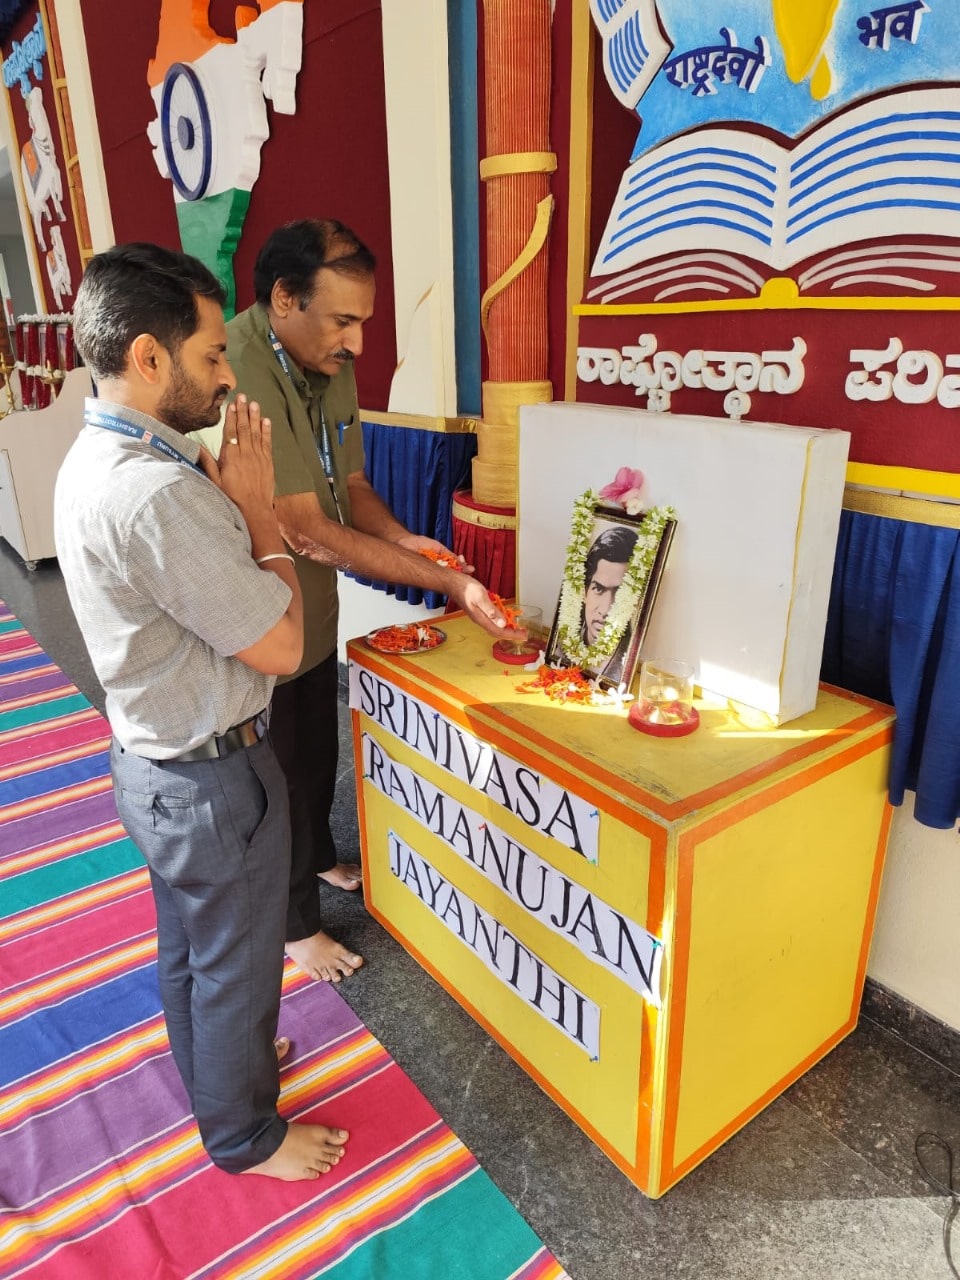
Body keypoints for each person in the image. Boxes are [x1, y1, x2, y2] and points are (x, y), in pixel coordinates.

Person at [54, 242, 347, 1182]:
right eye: (213, 355)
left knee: (193, 949)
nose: (226, 377)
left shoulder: (100, 453)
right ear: (148, 357)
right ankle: (244, 1137)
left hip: (158, 766)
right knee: (238, 964)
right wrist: (260, 518)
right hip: (211, 777)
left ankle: (221, 1081)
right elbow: (283, 647)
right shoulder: (153, 495)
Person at [226, 219, 522, 985]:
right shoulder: (241, 371)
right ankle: (293, 927)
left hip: (314, 605)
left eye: (364, 321)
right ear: (284, 299)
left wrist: (406, 541)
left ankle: (320, 859)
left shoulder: (327, 359)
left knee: (319, 743)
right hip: (264, 611)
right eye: (344, 320)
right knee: (281, 769)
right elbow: (301, 524)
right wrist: (449, 582)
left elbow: (350, 486)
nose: (358, 342)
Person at [579, 524, 638, 685]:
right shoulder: (561, 645)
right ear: (584, 592)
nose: (605, 610)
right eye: (598, 589)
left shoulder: (627, 663)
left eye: (619, 594)